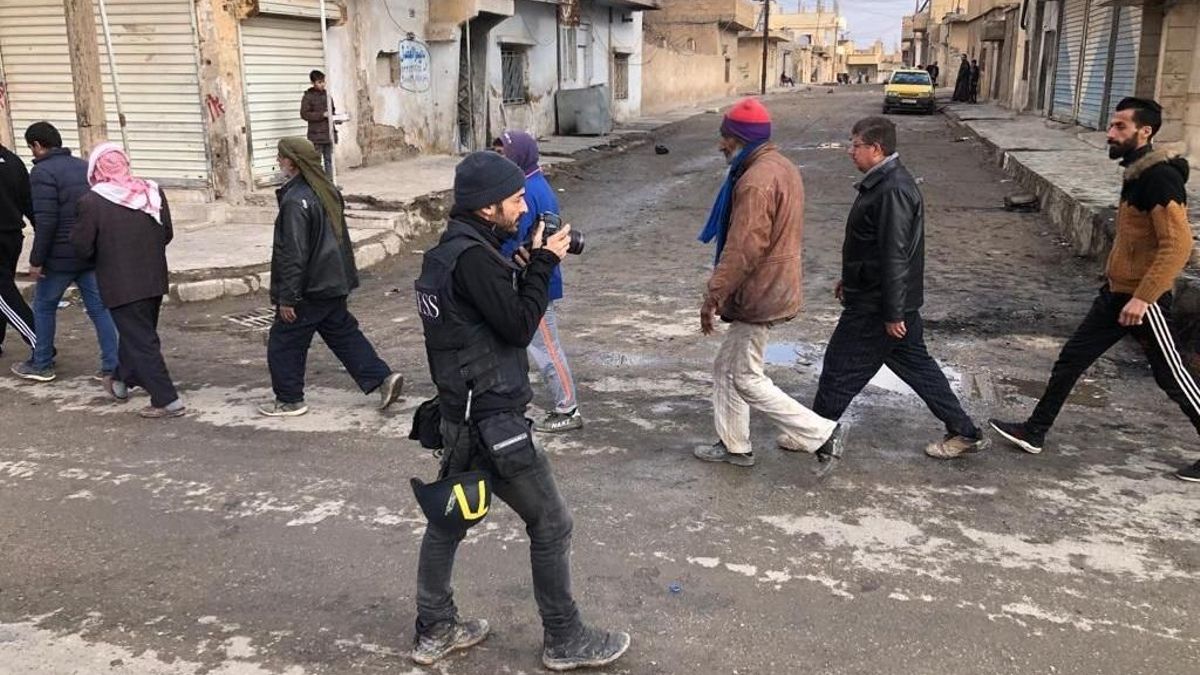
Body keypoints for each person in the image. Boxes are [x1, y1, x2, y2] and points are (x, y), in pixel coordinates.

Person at [411, 150, 630, 670]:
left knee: (448, 521)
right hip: (494, 423)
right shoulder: (474, 260)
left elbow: (480, 317)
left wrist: (526, 262)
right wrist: (545, 264)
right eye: (514, 200)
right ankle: (565, 637)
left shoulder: (448, 255)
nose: (523, 208)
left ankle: (434, 628)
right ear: (487, 207)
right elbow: (517, 326)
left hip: (461, 414)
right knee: (551, 523)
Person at [990, 98, 1200, 483]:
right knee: (1072, 358)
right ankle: (1035, 430)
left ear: (1145, 131)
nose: (1110, 133)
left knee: (1171, 374)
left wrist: (1144, 298)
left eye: (1120, 127)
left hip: (1144, 300)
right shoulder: (1137, 172)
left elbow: (1178, 245)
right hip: (1116, 294)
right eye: (1111, 125)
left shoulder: (1160, 178)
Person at [812, 117, 988, 468]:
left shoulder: (892, 189)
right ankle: (964, 431)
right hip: (883, 297)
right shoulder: (883, 183)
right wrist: (850, 278)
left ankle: (812, 431)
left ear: (876, 149)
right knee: (919, 369)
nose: (850, 151)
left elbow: (895, 255)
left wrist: (893, 313)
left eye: (856, 145)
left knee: (840, 366)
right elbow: (871, 247)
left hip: (878, 305)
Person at [694, 97, 846, 469]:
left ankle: (822, 434)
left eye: (726, 136)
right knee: (726, 367)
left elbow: (744, 248)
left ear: (741, 139)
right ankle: (734, 445)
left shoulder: (756, 180)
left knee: (746, 376)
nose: (721, 144)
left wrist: (714, 294)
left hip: (759, 292)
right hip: (771, 285)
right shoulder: (780, 166)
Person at [257, 137, 403, 417]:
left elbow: (294, 253)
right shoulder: (325, 190)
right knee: (342, 334)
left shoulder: (295, 201)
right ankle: (382, 378)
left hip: (310, 288)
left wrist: (288, 298)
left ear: (293, 163)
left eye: (281, 157)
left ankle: (289, 400)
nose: (278, 161)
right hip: (333, 282)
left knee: (284, 343)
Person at [72, 143, 184, 419]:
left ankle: (167, 399)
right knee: (137, 333)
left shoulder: (92, 201)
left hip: (120, 282)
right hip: (153, 277)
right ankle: (121, 380)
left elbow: (83, 247)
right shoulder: (151, 192)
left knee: (141, 340)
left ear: (97, 169)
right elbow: (166, 233)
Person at [11, 122, 118, 383]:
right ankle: (113, 366)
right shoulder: (83, 167)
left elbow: (46, 221)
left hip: (59, 257)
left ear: (37, 145)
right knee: (99, 309)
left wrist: (36, 260)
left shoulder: (42, 173)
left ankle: (42, 363)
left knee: (43, 307)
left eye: (31, 148)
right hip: (87, 252)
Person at [498, 130, 583, 433]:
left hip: (536, 282)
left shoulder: (530, 191)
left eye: (504, 153)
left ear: (519, 155)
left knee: (546, 347)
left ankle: (568, 408)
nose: (500, 159)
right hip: (529, 279)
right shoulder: (530, 184)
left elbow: (521, 241)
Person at [0, 141, 36, 357]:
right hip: (13, 237)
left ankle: (39, 342)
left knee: (4, 294)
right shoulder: (14, 162)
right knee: (5, 290)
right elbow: (29, 203)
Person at [300, 70, 336, 177]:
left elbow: (332, 111)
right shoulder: (308, 97)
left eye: (323, 81)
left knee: (329, 160)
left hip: (328, 134)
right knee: (316, 162)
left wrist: (336, 118)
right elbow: (304, 114)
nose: (322, 84)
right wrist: (322, 115)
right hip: (316, 136)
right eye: (319, 82)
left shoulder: (327, 95)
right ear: (313, 83)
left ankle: (330, 182)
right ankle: (318, 183)